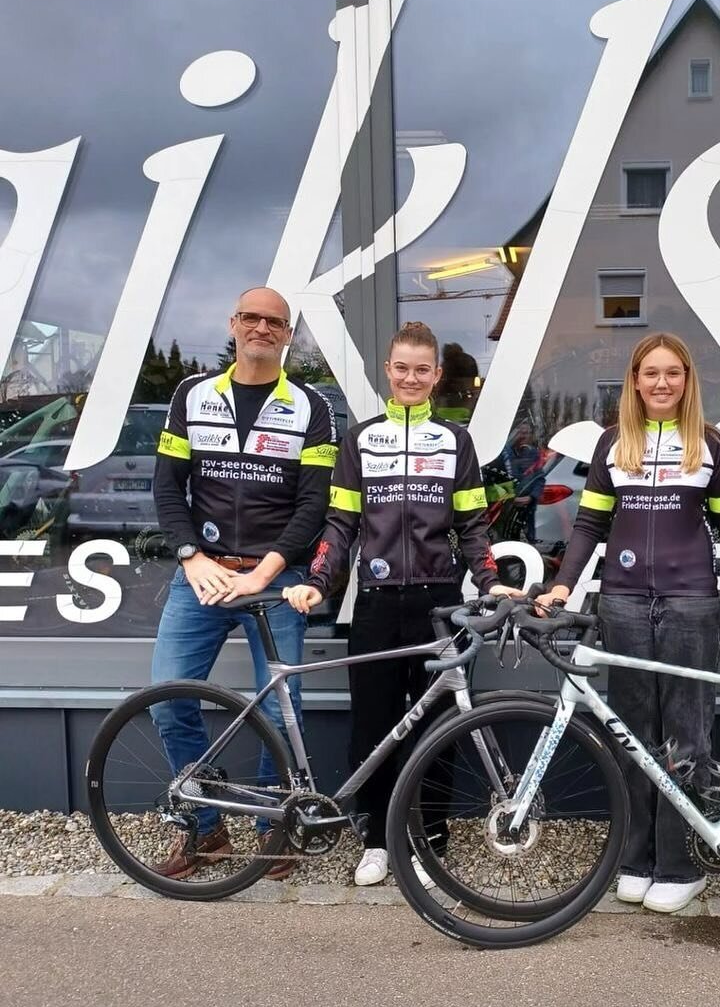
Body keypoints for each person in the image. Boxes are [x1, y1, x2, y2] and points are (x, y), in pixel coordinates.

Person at [537, 332, 720, 914]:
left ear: (687, 381)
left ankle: (678, 864)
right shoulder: (614, 443)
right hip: (623, 603)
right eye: (650, 373)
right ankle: (636, 859)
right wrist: (565, 582)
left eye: (673, 373)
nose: (661, 383)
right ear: (635, 382)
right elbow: (589, 525)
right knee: (632, 731)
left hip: (691, 602)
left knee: (686, 733)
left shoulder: (709, 442)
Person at [284, 322, 516, 886]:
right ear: (388, 372)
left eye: (422, 369)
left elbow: (471, 527)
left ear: (436, 376)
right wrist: (319, 578)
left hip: (440, 604)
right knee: (374, 727)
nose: (411, 377)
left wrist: (488, 582)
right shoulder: (360, 440)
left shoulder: (455, 442)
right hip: (377, 605)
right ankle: (377, 840)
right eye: (402, 368)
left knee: (438, 726)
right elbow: (340, 525)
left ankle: (431, 842)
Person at [150, 286, 338, 880]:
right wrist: (189, 556)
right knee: (168, 699)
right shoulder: (192, 394)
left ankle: (271, 824)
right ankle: (205, 830)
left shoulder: (312, 406)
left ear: (288, 335)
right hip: (202, 576)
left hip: (276, 579)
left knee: (282, 714)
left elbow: (315, 504)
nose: (262, 328)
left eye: (274, 322)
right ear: (233, 324)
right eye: (251, 318)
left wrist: (266, 569)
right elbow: (166, 487)